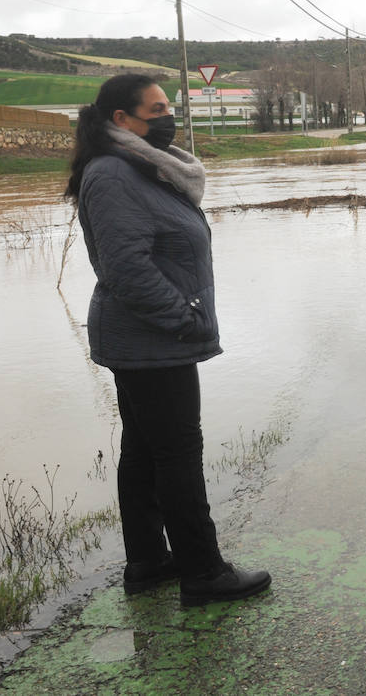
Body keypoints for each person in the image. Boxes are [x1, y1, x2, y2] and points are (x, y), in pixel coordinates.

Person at [65, 73, 270, 608]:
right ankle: (204, 573)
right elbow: (125, 268)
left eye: (168, 107)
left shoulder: (142, 167)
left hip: (147, 337)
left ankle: (149, 561)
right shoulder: (113, 174)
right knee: (178, 454)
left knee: (143, 450)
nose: (167, 116)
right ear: (122, 120)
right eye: (156, 109)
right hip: (152, 337)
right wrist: (182, 318)